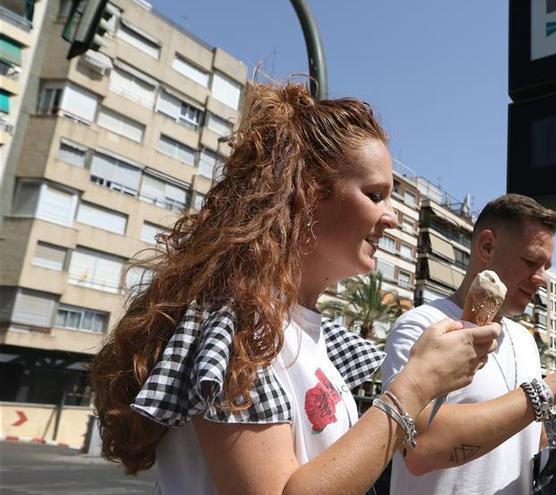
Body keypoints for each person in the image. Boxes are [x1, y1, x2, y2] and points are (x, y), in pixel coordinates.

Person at [89, 82, 501, 495]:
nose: (391, 218)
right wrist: (416, 386)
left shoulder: (302, 333)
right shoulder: (241, 329)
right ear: (307, 193)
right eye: (375, 195)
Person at [382, 194, 556, 494]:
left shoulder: (525, 341)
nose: (542, 279)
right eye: (531, 261)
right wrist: (548, 390)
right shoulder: (422, 326)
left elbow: (527, 446)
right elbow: (418, 450)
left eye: (546, 266)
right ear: (487, 246)